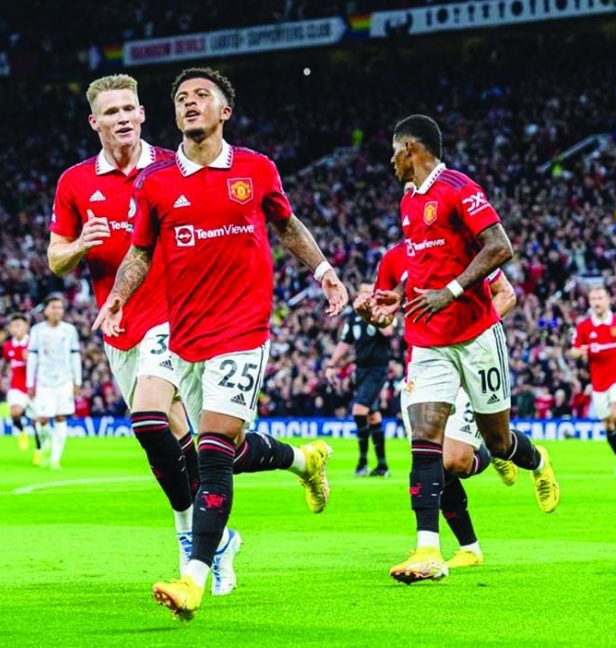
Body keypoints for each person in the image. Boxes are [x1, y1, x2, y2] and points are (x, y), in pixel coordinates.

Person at [94, 66, 349, 619]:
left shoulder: (255, 170)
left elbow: (288, 226)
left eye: (201, 96)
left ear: (224, 111)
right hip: (177, 330)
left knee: (212, 453)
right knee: (187, 437)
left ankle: (195, 575)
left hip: (240, 330)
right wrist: (116, 297)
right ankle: (301, 460)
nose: (189, 103)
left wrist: (324, 269)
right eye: (181, 98)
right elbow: (139, 253)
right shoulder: (157, 182)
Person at [46, 74, 241, 594]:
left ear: (143, 114)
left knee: (151, 418)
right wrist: (81, 244)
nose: (123, 118)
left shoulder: (173, 165)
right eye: (111, 112)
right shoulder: (75, 183)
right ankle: (213, 539)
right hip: (119, 326)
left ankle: (192, 542)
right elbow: (55, 259)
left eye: (130, 108)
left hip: (177, 316)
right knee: (175, 437)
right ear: (96, 122)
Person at [373, 115, 559, 584]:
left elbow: (500, 247)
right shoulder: (409, 200)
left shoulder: (458, 187)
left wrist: (451, 291)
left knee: (498, 442)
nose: (390, 160)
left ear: (411, 149)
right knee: (425, 442)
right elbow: (423, 265)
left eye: (394, 150)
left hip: (476, 334)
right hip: (428, 339)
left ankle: (536, 460)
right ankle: (427, 550)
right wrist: (402, 294)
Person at [361, 243, 519, 569]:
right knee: (434, 464)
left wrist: (471, 331)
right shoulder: (393, 259)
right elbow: (384, 320)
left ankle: (495, 450)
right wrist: (372, 316)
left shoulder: (461, 249)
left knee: (457, 461)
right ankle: (465, 549)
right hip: (424, 370)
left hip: (468, 362)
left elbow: (507, 294)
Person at [568, 285, 616, 475]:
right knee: (608, 424)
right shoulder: (584, 326)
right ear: (589, 302)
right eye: (593, 299)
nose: (597, 302)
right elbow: (573, 350)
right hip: (599, 382)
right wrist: (578, 352)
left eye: (600, 298)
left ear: (608, 300)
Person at [325, 280, 393, 477]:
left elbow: (388, 331)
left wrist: (373, 312)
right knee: (373, 416)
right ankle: (382, 466)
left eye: (369, 293)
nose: (365, 296)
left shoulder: (382, 312)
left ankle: (362, 463)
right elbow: (345, 343)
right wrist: (331, 364)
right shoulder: (353, 320)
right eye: (363, 293)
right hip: (361, 371)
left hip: (377, 370)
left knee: (358, 410)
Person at [26, 296, 81, 470]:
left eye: (59, 307)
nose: (56, 310)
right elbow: (32, 357)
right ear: (46, 310)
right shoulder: (37, 330)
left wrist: (77, 381)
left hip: (64, 380)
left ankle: (55, 459)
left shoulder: (70, 330)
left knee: (61, 416)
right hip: (43, 381)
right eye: (53, 307)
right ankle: (45, 440)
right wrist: (30, 383)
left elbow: (75, 355)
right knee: (41, 419)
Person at [0, 313, 37, 458]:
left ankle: (39, 449)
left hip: (34, 387)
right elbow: (5, 362)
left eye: (19, 325)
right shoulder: (7, 346)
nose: (16, 328)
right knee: (15, 412)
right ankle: (22, 432)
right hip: (16, 386)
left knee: (37, 422)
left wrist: (33, 359)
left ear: (26, 327)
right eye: (13, 325)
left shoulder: (34, 343)